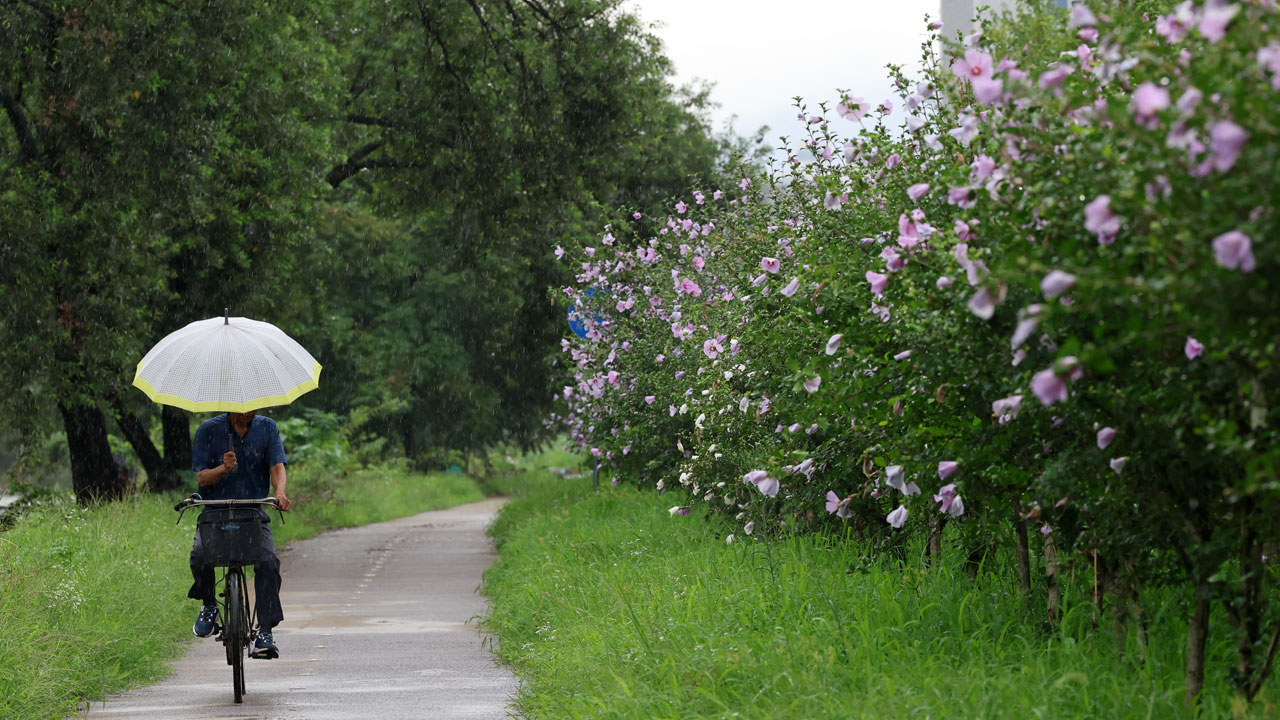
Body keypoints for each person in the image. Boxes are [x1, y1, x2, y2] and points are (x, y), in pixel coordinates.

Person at [188, 409, 291, 658]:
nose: (248, 413)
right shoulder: (208, 430)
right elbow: (202, 478)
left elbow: (277, 466)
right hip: (216, 512)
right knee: (200, 556)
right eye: (242, 410)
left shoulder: (267, 428)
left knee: (268, 562)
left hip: (252, 512)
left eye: (253, 409)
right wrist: (223, 469)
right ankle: (209, 605)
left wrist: (279, 492)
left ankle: (265, 631)